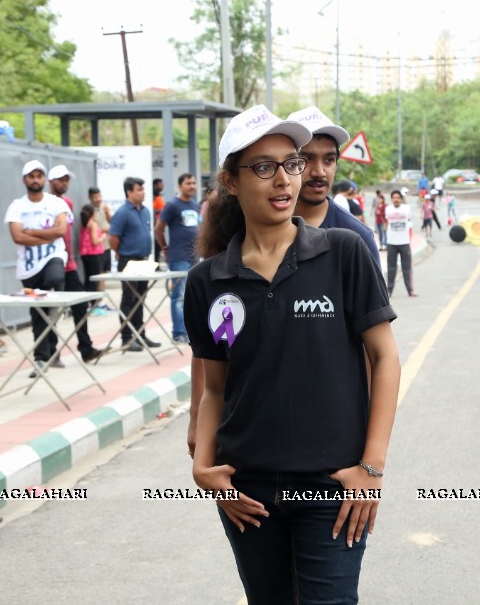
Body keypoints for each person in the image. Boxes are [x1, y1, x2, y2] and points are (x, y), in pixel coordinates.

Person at [185, 104, 400, 603]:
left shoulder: (344, 252)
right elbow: (215, 389)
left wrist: (371, 466)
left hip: (331, 486)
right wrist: (203, 464)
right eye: (264, 167)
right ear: (231, 182)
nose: (284, 179)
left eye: (292, 163)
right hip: (247, 491)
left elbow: (386, 359)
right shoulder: (206, 282)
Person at [286, 105, 379, 259]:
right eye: (306, 159)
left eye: (329, 160)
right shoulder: (257, 228)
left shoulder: (358, 238)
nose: (319, 172)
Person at [5, 160, 71, 368]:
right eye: (31, 176)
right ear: (25, 179)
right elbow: (17, 237)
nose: (36, 180)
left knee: (54, 281)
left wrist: (31, 232)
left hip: (53, 257)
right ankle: (44, 356)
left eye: (39, 176)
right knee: (37, 313)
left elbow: (61, 231)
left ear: (45, 179)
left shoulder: (55, 203)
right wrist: (47, 236)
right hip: (28, 266)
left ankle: (52, 349)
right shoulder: (17, 206)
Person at [48, 164, 101, 362]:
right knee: (51, 310)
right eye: (60, 179)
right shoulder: (44, 203)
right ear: (51, 181)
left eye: (66, 180)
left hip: (69, 263)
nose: (64, 183)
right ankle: (51, 353)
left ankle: (85, 348)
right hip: (50, 263)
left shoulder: (68, 203)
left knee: (80, 304)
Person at [109, 176, 161, 352]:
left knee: (140, 299)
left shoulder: (145, 211)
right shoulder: (122, 213)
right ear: (129, 192)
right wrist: (120, 254)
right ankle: (126, 338)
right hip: (128, 261)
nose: (143, 192)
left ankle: (140, 333)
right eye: (139, 189)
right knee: (128, 299)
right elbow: (113, 239)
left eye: (143, 189)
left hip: (144, 261)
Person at [154, 173, 200, 344]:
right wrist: (164, 247)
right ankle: (178, 332)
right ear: (180, 186)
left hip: (194, 257)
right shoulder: (172, 205)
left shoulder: (195, 205)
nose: (192, 186)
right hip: (179, 257)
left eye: (194, 183)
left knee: (193, 297)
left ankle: (191, 332)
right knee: (178, 296)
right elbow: (159, 228)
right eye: (188, 183)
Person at [385, 189, 417, 297]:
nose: (396, 200)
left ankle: (410, 290)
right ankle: (389, 291)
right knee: (391, 268)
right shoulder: (388, 209)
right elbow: (386, 223)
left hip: (404, 242)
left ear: (401, 199)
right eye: (394, 198)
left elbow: (409, 221)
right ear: (392, 199)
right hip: (391, 242)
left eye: (398, 198)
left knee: (407, 268)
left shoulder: (407, 208)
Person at [79, 203, 106, 303]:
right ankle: (93, 303)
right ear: (93, 213)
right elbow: (95, 241)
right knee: (94, 280)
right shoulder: (93, 224)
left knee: (88, 278)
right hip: (94, 254)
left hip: (85, 254)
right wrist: (102, 237)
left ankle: (86, 303)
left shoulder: (85, 224)